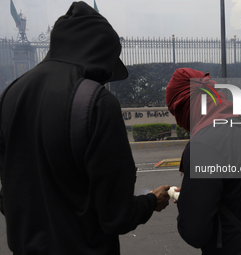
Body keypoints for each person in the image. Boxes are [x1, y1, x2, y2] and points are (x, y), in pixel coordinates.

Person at [0, 2, 169, 254]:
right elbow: (116, 216)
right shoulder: (96, 102)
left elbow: (9, 195)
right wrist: (151, 202)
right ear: (100, 53)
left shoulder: (10, 94)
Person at [165, 68, 241, 254]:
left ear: (187, 103)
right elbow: (238, 190)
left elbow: (195, 232)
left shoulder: (205, 144)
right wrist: (197, 192)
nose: (179, 121)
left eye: (176, 111)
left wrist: (188, 201)